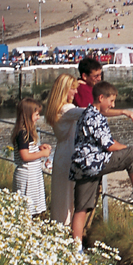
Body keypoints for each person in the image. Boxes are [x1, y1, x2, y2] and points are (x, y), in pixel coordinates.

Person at [69, 81, 133, 254]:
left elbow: (106, 116)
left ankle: (76, 249)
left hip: (80, 166)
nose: (113, 105)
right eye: (111, 101)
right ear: (101, 98)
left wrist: (124, 112)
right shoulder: (95, 117)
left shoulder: (87, 112)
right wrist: (125, 149)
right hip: (93, 164)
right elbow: (109, 145)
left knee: (80, 209)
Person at [44, 75, 82, 226]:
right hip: (69, 154)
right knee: (69, 197)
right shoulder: (67, 109)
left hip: (61, 153)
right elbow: (89, 112)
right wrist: (122, 112)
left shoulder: (56, 108)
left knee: (60, 196)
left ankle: (59, 228)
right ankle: (68, 230)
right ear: (64, 90)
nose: (75, 93)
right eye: (72, 89)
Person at [12, 97, 51, 217]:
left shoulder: (26, 132)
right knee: (27, 208)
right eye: (37, 114)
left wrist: (38, 148)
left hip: (33, 174)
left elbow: (27, 150)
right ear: (28, 115)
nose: (38, 117)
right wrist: (42, 154)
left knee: (33, 207)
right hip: (27, 175)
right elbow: (24, 155)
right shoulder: (23, 133)